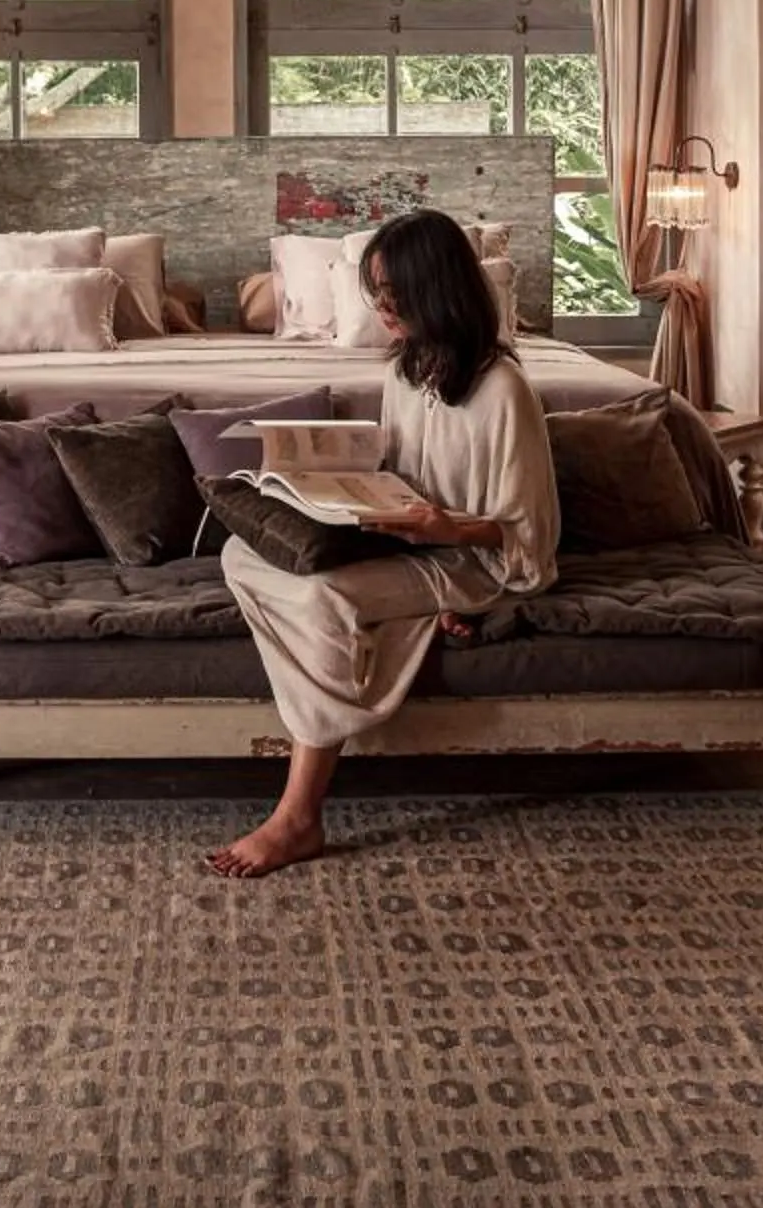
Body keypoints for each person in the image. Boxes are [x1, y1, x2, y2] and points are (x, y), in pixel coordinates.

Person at [208, 210, 560, 879]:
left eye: (397, 291)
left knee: (322, 595)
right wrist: (335, 488)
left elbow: (527, 533)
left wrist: (447, 529)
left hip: (469, 560)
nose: (385, 308)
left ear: (439, 288)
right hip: (411, 546)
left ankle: (299, 814)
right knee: (239, 553)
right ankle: (403, 634)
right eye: (377, 290)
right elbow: (402, 475)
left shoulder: (503, 390)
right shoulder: (406, 373)